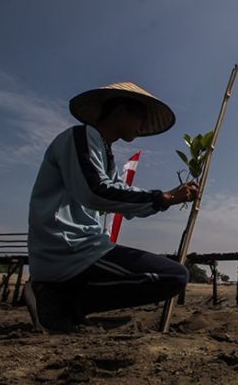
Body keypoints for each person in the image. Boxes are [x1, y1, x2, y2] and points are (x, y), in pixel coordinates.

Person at [25, 82, 199, 332]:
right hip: (68, 249)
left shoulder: (104, 154)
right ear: (119, 111)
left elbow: (121, 201)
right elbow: (96, 191)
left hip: (83, 249)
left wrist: (166, 200)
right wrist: (164, 197)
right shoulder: (80, 137)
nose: (142, 127)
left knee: (174, 275)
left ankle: (63, 301)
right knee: (173, 277)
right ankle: (55, 298)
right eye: (140, 118)